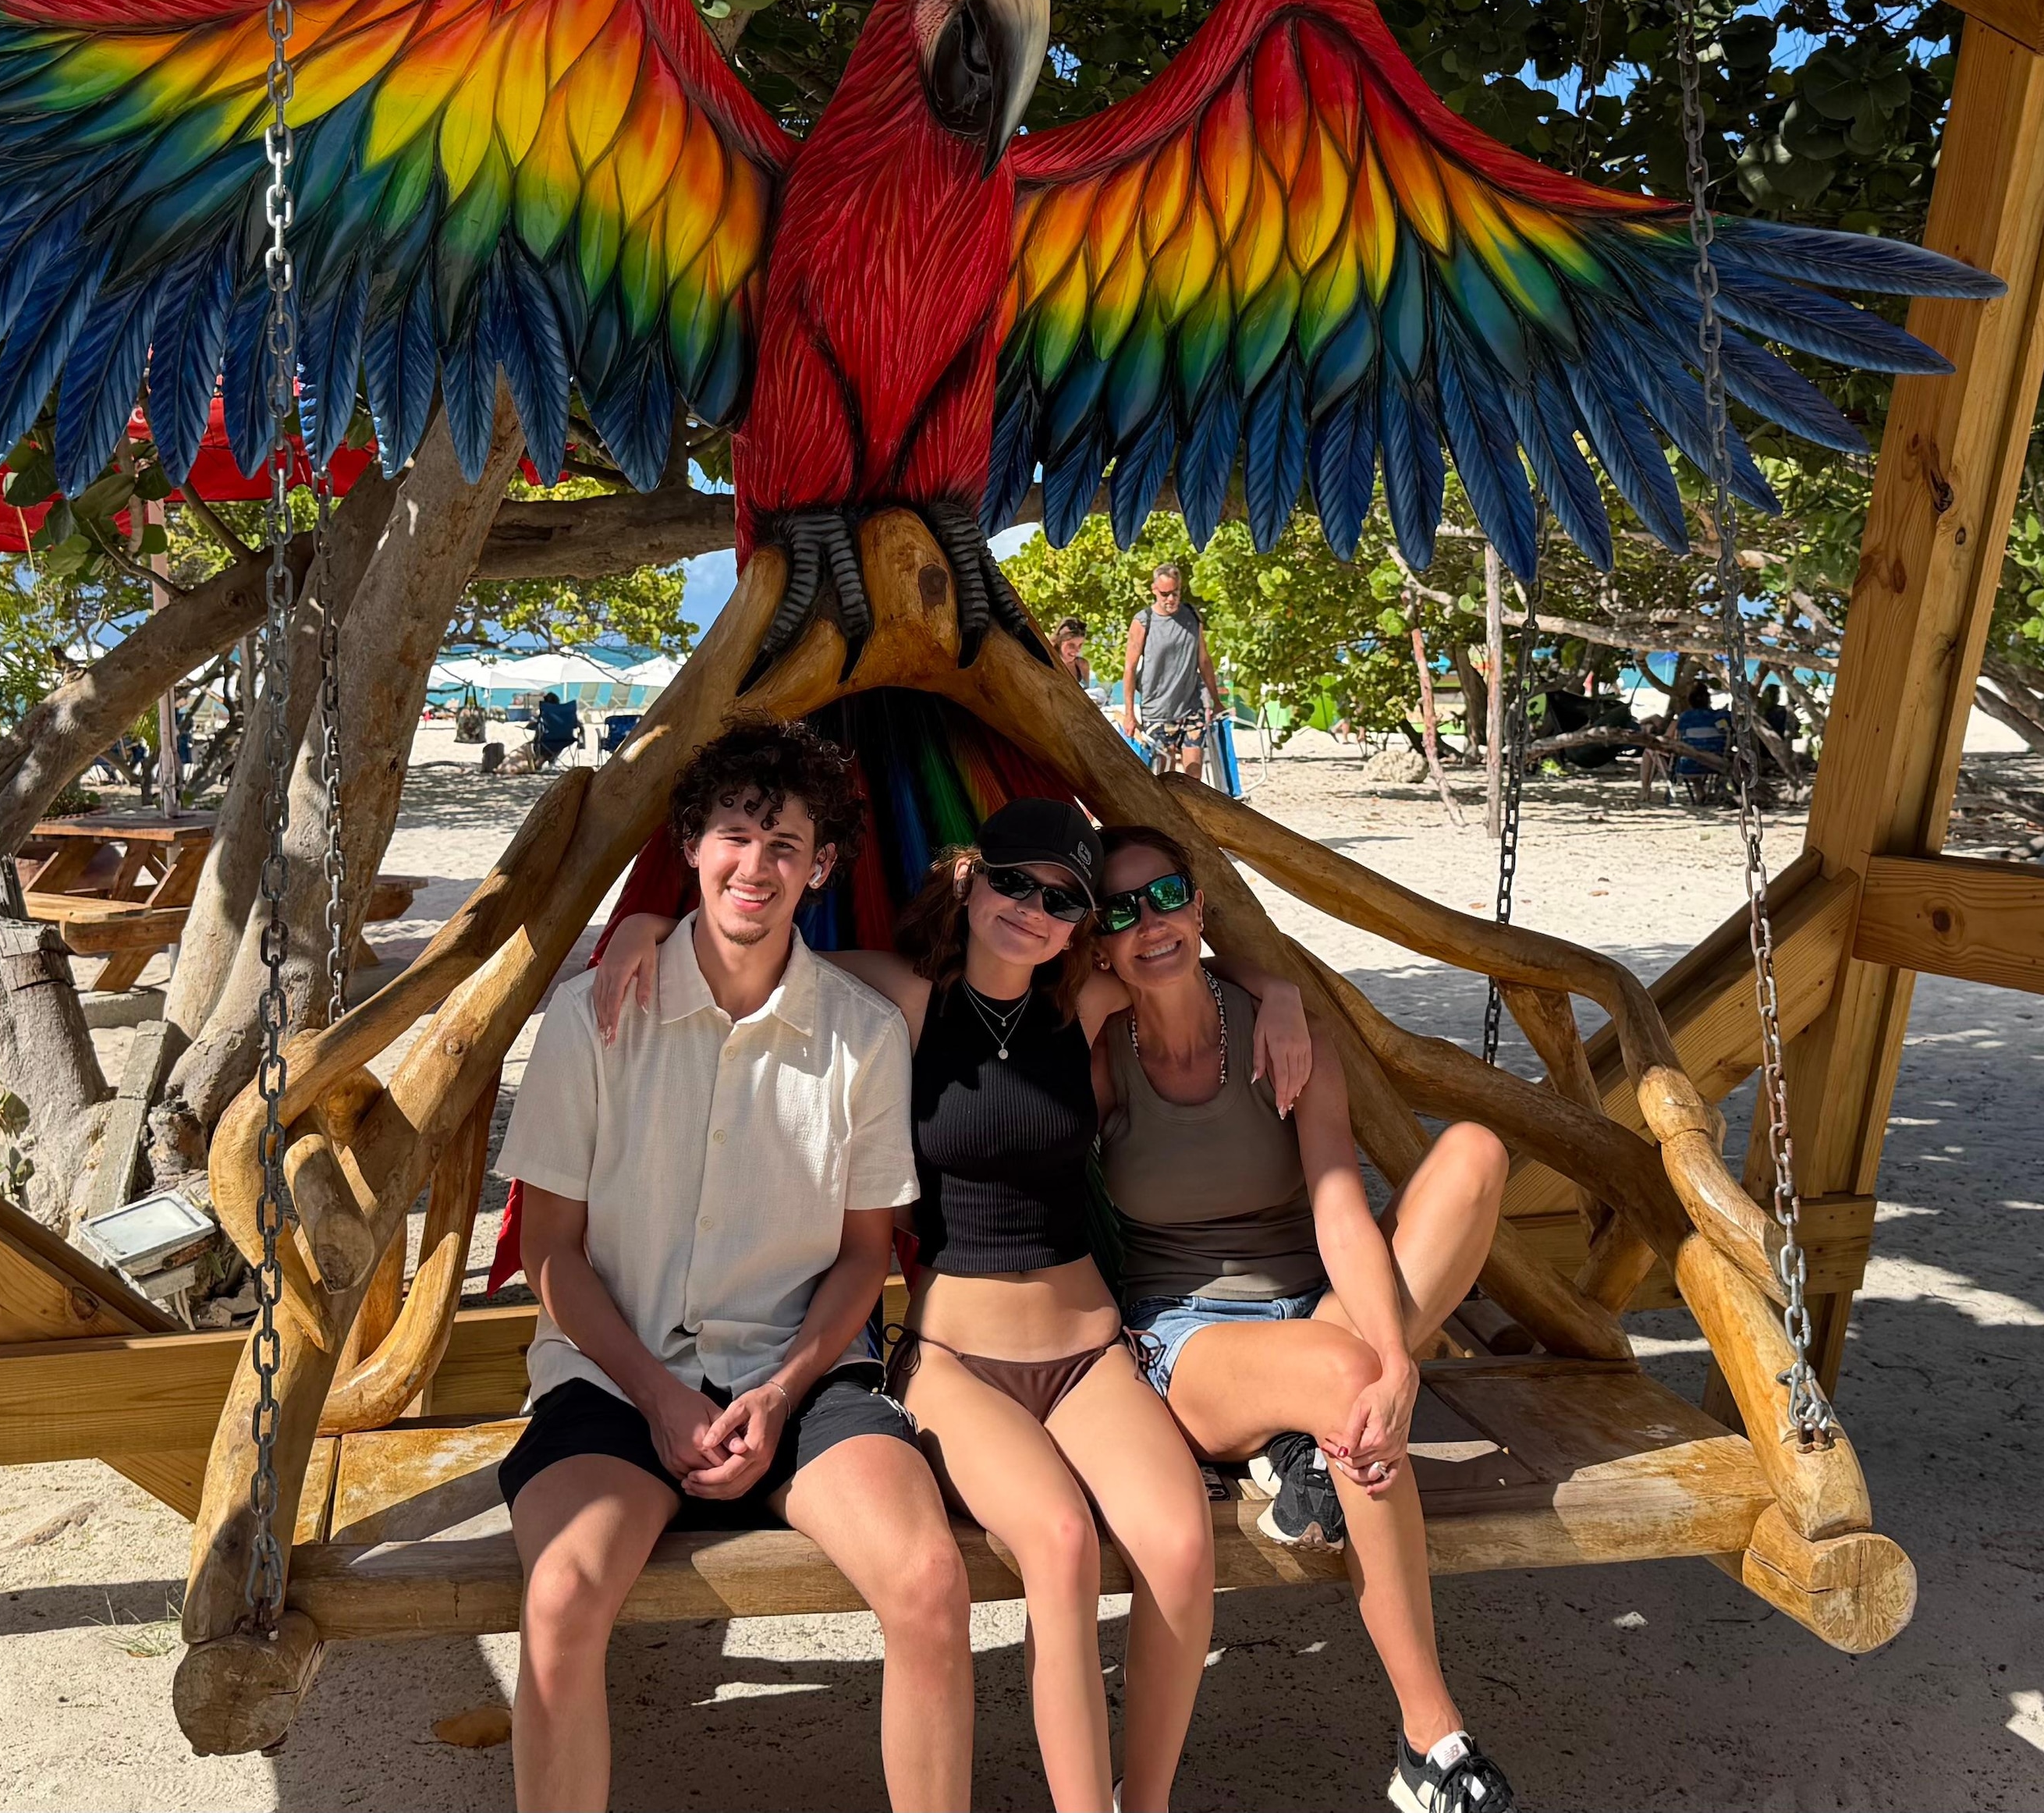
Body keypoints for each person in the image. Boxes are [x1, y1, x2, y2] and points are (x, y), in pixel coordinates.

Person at [592, 800, 1315, 1811]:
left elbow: (1177, 957)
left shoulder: (1086, 1002)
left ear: (1077, 922)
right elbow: (753, 947)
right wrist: (647, 925)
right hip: (957, 1363)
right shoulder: (904, 997)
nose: (1033, 908)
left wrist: (1276, 988)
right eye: (1014, 881)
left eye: (1061, 899)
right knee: (1060, 1542)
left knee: (1182, 1545)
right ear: (972, 881)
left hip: (1090, 1355)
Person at [495, 721, 972, 1812]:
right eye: (735, 835)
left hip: (800, 1379)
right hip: (613, 1378)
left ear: (822, 867)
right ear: (692, 846)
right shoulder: (590, 1018)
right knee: (561, 1595)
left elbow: (863, 1256)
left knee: (929, 1580)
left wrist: (783, 1387)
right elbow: (549, 1250)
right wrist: (659, 1395)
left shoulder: (861, 1033)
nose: (755, 864)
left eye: (785, 843)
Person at [1084, 823, 1519, 1813]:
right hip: (1187, 1338)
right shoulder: (1102, 1051)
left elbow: (1335, 1202)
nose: (1150, 922)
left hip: (1315, 1305)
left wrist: (1395, 1355)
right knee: (1345, 1376)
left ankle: (1304, 1443)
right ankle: (1430, 1736)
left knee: (1473, 1155)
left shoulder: (1278, 1032)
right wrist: (1377, 1365)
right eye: (1119, 911)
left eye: (1166, 896)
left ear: (1198, 904)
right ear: (1098, 942)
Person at [1119, 564, 1222, 786]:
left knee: (1194, 778)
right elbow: (1129, 669)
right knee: (1166, 779)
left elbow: (1204, 661)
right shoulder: (1144, 621)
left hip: (1191, 707)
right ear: (1154, 590)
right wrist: (1129, 714)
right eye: (1165, 594)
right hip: (1158, 711)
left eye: (1175, 592)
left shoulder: (1192, 616)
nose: (1171, 599)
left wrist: (1216, 701)